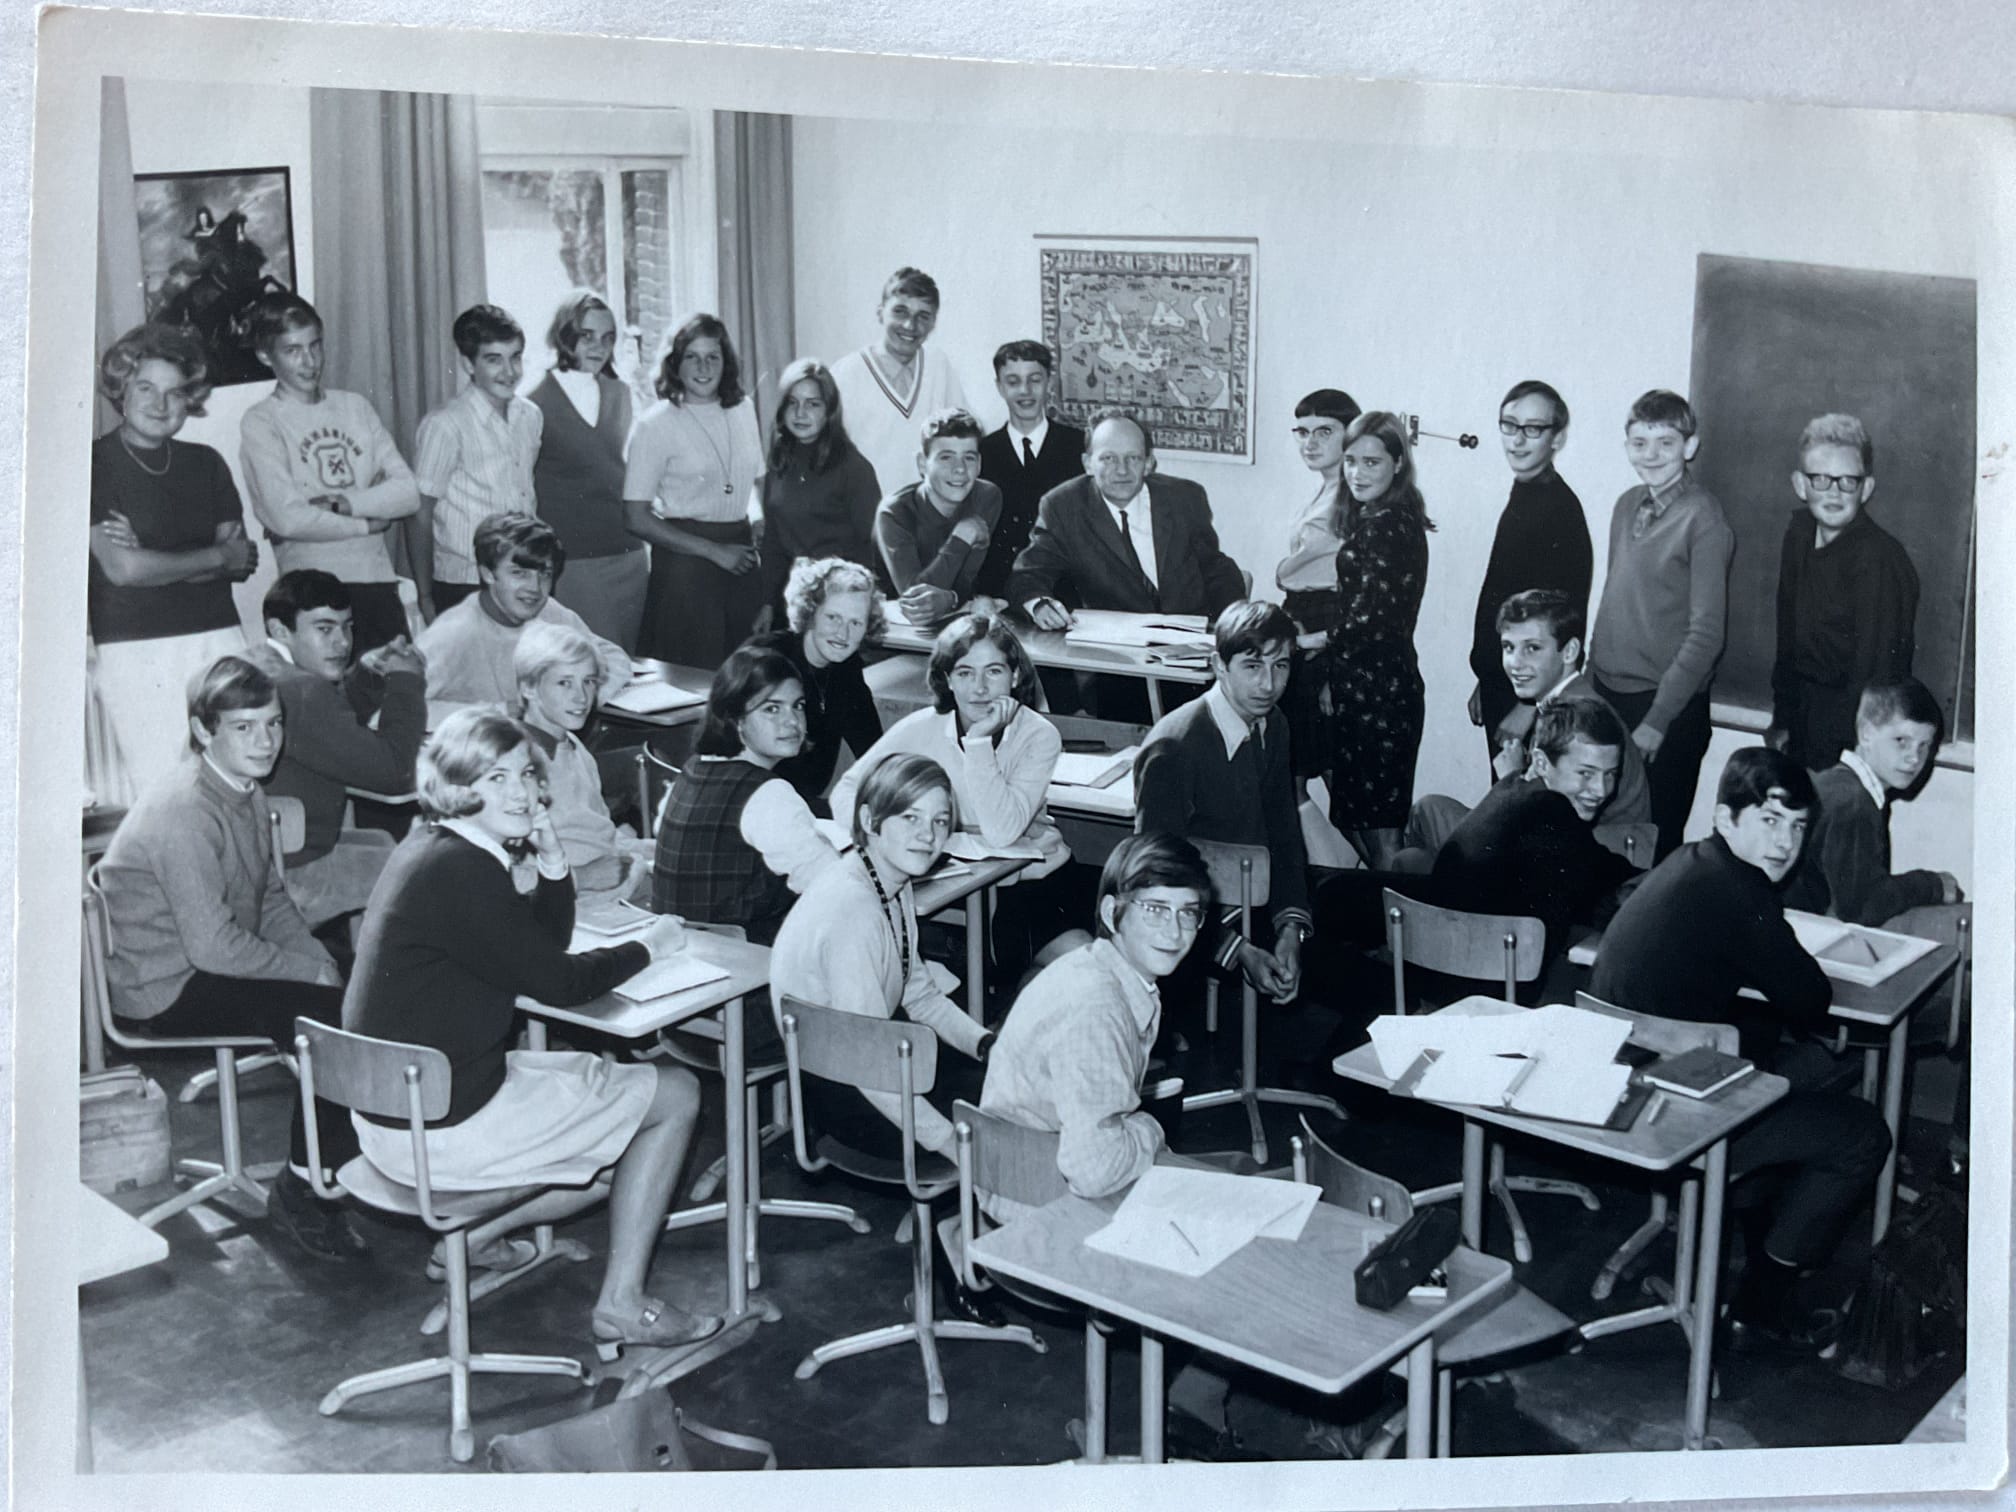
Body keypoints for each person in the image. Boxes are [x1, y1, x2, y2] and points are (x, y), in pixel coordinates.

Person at [344, 707, 720, 1356]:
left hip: (396, 1111)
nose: (521, 793)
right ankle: (622, 1305)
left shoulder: (434, 848)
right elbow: (562, 983)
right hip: (443, 1127)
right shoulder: (464, 871)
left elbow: (538, 948)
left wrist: (552, 866)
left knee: (611, 1153)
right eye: (496, 778)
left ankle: (469, 1241)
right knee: (676, 1092)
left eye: (525, 775)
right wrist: (652, 945)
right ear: (460, 789)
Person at [1589, 747, 1891, 1351]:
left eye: (1798, 826)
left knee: (1788, 1066)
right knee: (1863, 1132)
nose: (1785, 842)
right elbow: (1809, 1000)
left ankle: (1756, 1227)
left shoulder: (1692, 861)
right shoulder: (1741, 892)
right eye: (1769, 820)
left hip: (1610, 1080)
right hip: (1666, 1112)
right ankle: (1764, 1299)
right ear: (1726, 819)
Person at [95, 656, 364, 1261]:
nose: (265, 741)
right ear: (203, 731)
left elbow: (268, 896)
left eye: (272, 724)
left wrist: (316, 956)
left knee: (356, 975)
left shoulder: (245, 786)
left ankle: (340, 1154)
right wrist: (311, 974)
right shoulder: (185, 810)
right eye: (244, 727)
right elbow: (213, 946)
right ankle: (305, 1189)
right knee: (325, 1019)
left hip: (208, 961)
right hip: (163, 985)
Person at [770, 753, 993, 1161]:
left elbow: (920, 996)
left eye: (939, 821)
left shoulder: (887, 879)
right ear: (871, 820)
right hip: (847, 1097)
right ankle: (952, 1219)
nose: (928, 835)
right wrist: (947, 1143)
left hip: (868, 1071)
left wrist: (986, 1045)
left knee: (1005, 1081)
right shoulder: (854, 911)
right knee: (1014, 1111)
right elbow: (869, 1066)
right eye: (910, 818)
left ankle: (941, 1221)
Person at [979, 832, 1212, 1218]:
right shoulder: (1098, 1007)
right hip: (1038, 1195)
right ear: (1110, 913)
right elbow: (1094, 1172)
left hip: (1022, 1169)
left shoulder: (1096, 966)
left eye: (1187, 912)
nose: (1174, 932)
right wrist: (1152, 1129)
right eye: (1155, 909)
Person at [829, 611, 1071, 976]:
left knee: (1043, 971)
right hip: (954, 880)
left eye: (994, 671)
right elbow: (849, 789)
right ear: (947, 680)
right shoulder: (922, 727)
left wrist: (978, 742)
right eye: (964, 673)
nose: (979, 689)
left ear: (1016, 675)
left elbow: (1000, 831)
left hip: (1031, 881)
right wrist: (883, 843)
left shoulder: (1039, 734)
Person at [88, 322, 257, 800]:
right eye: (146, 388)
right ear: (121, 390)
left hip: (219, 637)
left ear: (190, 400)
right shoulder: (93, 465)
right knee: (165, 795)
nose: (160, 405)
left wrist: (153, 559)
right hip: (136, 647)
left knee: (236, 784)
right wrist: (213, 557)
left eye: (175, 393)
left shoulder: (206, 462)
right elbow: (122, 570)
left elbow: (240, 560)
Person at [1134, 601, 1312, 1004]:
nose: (1269, 684)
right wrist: (1239, 950)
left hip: (1254, 902)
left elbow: (1284, 834)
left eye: (1280, 666)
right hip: (1194, 918)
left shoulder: (1273, 723)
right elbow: (1157, 877)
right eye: (1253, 666)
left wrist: (1292, 930)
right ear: (1218, 665)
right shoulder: (1174, 746)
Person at [1587, 389, 1736, 859]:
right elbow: (1613, 600)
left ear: (1689, 447)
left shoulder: (1704, 519)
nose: (1651, 456)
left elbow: (1706, 634)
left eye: (1665, 443)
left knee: (1649, 848)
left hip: (1662, 711)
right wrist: (1589, 683)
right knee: (1600, 845)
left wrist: (1658, 719)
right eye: (1639, 443)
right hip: (1609, 697)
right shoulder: (1626, 504)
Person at [239, 296, 420, 654]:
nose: (309, 362)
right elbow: (288, 519)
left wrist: (340, 503)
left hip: (376, 582)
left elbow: (407, 493)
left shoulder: (354, 406)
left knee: (398, 696)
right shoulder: (262, 421)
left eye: (314, 346)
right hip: (311, 594)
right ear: (265, 356)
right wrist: (366, 523)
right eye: (292, 351)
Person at [248, 570, 427, 929]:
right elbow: (396, 773)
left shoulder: (262, 666)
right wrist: (406, 681)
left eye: (346, 627)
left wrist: (369, 675)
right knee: (425, 874)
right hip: (291, 874)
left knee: (381, 844)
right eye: (324, 629)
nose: (342, 643)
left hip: (263, 857)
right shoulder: (300, 690)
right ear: (281, 630)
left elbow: (325, 729)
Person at [1430, 696, 1640, 970]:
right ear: (1541, 763)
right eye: (1586, 773)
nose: (1601, 789)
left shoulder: (1511, 786)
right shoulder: (1550, 810)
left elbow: (1597, 867)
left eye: (1611, 774)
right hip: (1499, 991)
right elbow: (1603, 890)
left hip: (1445, 970)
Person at [650, 644, 840, 945]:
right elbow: (834, 885)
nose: (792, 722)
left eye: (798, 705)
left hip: (679, 950)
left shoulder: (691, 771)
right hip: (748, 967)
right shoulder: (768, 794)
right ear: (735, 719)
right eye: (772, 709)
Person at [1769, 413, 1920, 769]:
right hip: (1800, 726)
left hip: (1850, 739)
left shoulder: (1879, 559)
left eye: (1847, 481)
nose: (1833, 492)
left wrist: (1851, 759)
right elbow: (1787, 637)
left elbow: (1877, 672)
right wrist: (1783, 717)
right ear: (1800, 484)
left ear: (1866, 488)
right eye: (1820, 479)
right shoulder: (1799, 534)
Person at [1009, 406, 1245, 625]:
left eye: (1133, 458)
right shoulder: (1063, 507)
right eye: (1108, 458)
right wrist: (1039, 604)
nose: (1122, 470)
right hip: (1116, 651)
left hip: (1188, 638)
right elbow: (1028, 574)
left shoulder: (1184, 498)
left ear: (1149, 463)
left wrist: (1233, 622)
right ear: (1087, 463)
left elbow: (1216, 568)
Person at [1321, 410, 1434, 868]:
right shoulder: (1377, 517)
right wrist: (1333, 675)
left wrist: (1311, 641)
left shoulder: (1390, 524)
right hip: (1361, 689)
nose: (1357, 473)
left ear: (1398, 464)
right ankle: (1394, 913)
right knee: (1359, 820)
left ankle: (1405, 931)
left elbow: (1371, 620)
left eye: (1372, 462)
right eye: (1350, 461)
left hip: (1382, 697)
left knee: (1382, 833)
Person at [622, 313, 767, 666]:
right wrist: (714, 552)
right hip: (685, 568)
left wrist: (759, 520)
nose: (703, 366)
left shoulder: (744, 409)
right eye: (692, 356)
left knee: (742, 681)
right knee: (690, 685)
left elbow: (757, 480)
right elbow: (635, 517)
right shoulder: (655, 424)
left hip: (740, 558)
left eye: (712, 356)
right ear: (675, 363)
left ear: (725, 362)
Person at [1467, 380, 1592, 768]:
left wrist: (1526, 707)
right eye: (1510, 425)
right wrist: (1488, 676)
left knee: (1519, 812)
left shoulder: (1559, 510)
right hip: (1508, 682)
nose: (1518, 440)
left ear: (1557, 438)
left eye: (1534, 429)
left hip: (1532, 696)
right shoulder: (1526, 492)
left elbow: (1564, 624)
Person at [1784, 679, 1965, 930]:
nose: (1914, 758)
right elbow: (1859, 909)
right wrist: (1931, 885)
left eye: (1925, 746)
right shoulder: (1854, 804)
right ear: (1866, 734)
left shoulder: (1838, 782)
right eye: (1901, 740)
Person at [529, 291, 646, 653]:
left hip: (628, 553)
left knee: (629, 665)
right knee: (590, 662)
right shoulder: (534, 401)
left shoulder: (622, 393)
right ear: (565, 336)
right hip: (573, 560)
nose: (599, 346)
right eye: (587, 336)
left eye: (608, 337)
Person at [412, 304, 542, 623]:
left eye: (515, 357)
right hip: (464, 582)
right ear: (468, 364)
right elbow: (419, 513)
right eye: (493, 360)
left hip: (521, 576)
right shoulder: (445, 426)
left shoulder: (530, 417)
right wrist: (425, 595)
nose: (509, 372)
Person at [416, 514, 630, 708]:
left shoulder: (547, 611)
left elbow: (611, 657)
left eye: (545, 574)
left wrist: (584, 695)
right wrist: (504, 711)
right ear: (488, 574)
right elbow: (393, 710)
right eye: (519, 573)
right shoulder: (453, 633)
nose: (535, 588)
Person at [512, 622, 655, 905]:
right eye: (564, 683)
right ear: (528, 687)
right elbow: (491, 877)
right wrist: (584, 876)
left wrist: (652, 849)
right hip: (570, 907)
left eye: (588, 682)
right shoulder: (510, 765)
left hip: (619, 885)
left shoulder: (575, 747)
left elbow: (598, 834)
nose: (581, 697)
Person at [1489, 589, 1649, 822]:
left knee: (1433, 814)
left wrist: (1511, 780)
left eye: (1532, 648)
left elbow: (1547, 824)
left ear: (1569, 652)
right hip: (1576, 838)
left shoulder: (1576, 716)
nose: (1515, 663)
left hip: (1600, 847)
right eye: (1508, 647)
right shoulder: (1563, 701)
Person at [1273, 388, 1362, 779]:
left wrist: (1332, 671)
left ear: (1351, 434)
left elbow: (1355, 590)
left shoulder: (1352, 496)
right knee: (1295, 766)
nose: (1310, 442)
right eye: (1303, 432)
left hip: (1326, 624)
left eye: (1324, 431)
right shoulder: (1324, 490)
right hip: (1302, 615)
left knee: (1327, 773)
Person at [752, 556, 887, 813]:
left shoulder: (846, 668)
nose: (843, 634)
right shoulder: (766, 659)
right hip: (757, 804)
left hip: (801, 804)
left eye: (855, 622)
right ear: (810, 612)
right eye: (833, 617)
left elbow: (874, 752)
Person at [753, 357, 882, 612]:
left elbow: (872, 548)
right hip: (790, 598)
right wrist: (767, 603)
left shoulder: (854, 468)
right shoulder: (780, 460)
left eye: (812, 404)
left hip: (841, 598)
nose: (800, 413)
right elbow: (774, 543)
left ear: (829, 411)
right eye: (792, 403)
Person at [829, 267, 969, 497]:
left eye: (923, 316)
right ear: (880, 313)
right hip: (866, 519)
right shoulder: (846, 373)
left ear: (934, 322)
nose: (910, 326)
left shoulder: (938, 365)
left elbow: (964, 440)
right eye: (900, 312)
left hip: (928, 517)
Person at [975, 340, 1085, 599]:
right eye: (1013, 382)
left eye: (1035, 379)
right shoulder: (981, 452)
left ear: (1049, 382)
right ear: (1000, 387)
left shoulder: (1079, 447)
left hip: (1065, 593)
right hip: (997, 593)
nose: (1025, 391)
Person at [873, 407, 1004, 623]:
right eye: (946, 457)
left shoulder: (986, 496)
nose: (960, 469)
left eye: (969, 458)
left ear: (979, 464)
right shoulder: (894, 512)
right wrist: (961, 538)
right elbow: (918, 602)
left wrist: (952, 599)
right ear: (922, 464)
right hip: (896, 635)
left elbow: (966, 581)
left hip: (958, 620)